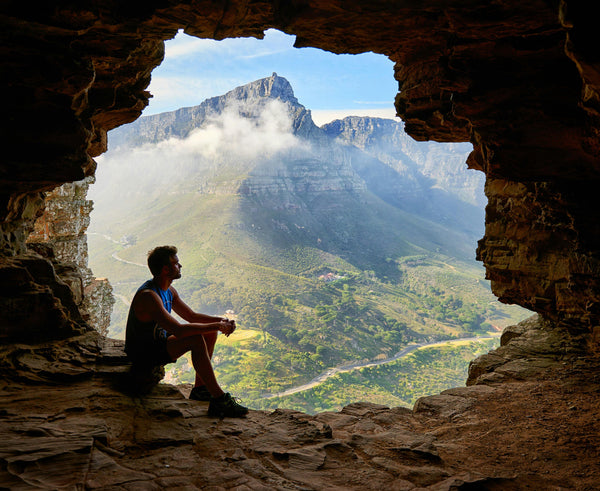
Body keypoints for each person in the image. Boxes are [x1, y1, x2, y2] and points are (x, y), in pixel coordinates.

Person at [125, 245, 248, 418]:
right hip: (144, 352)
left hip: (157, 343)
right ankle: (220, 400)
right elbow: (179, 330)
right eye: (176, 263)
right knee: (196, 340)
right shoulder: (149, 296)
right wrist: (218, 326)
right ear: (166, 269)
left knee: (208, 333)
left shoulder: (168, 290)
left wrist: (220, 321)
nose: (180, 266)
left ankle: (200, 389)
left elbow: (191, 316)